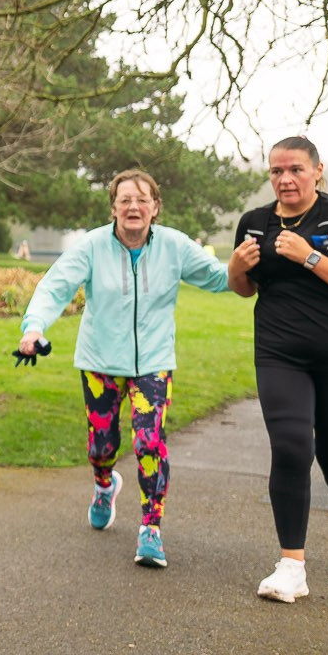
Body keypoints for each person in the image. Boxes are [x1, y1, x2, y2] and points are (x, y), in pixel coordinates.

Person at [15, 169, 231, 568]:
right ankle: (103, 485)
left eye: (142, 199)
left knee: (150, 442)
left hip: (154, 363)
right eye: (125, 200)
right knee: (103, 445)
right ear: (113, 208)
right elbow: (55, 286)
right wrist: (33, 328)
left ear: (155, 207)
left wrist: (256, 266)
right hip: (100, 362)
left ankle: (151, 528)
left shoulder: (174, 246)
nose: (134, 206)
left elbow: (220, 278)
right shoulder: (93, 246)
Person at [226, 136, 328, 603]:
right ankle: (291, 566)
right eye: (276, 171)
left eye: (295, 169)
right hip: (280, 355)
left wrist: (311, 257)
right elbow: (243, 289)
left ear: (318, 170)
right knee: (293, 446)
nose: (285, 179)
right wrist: (235, 268)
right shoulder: (254, 223)